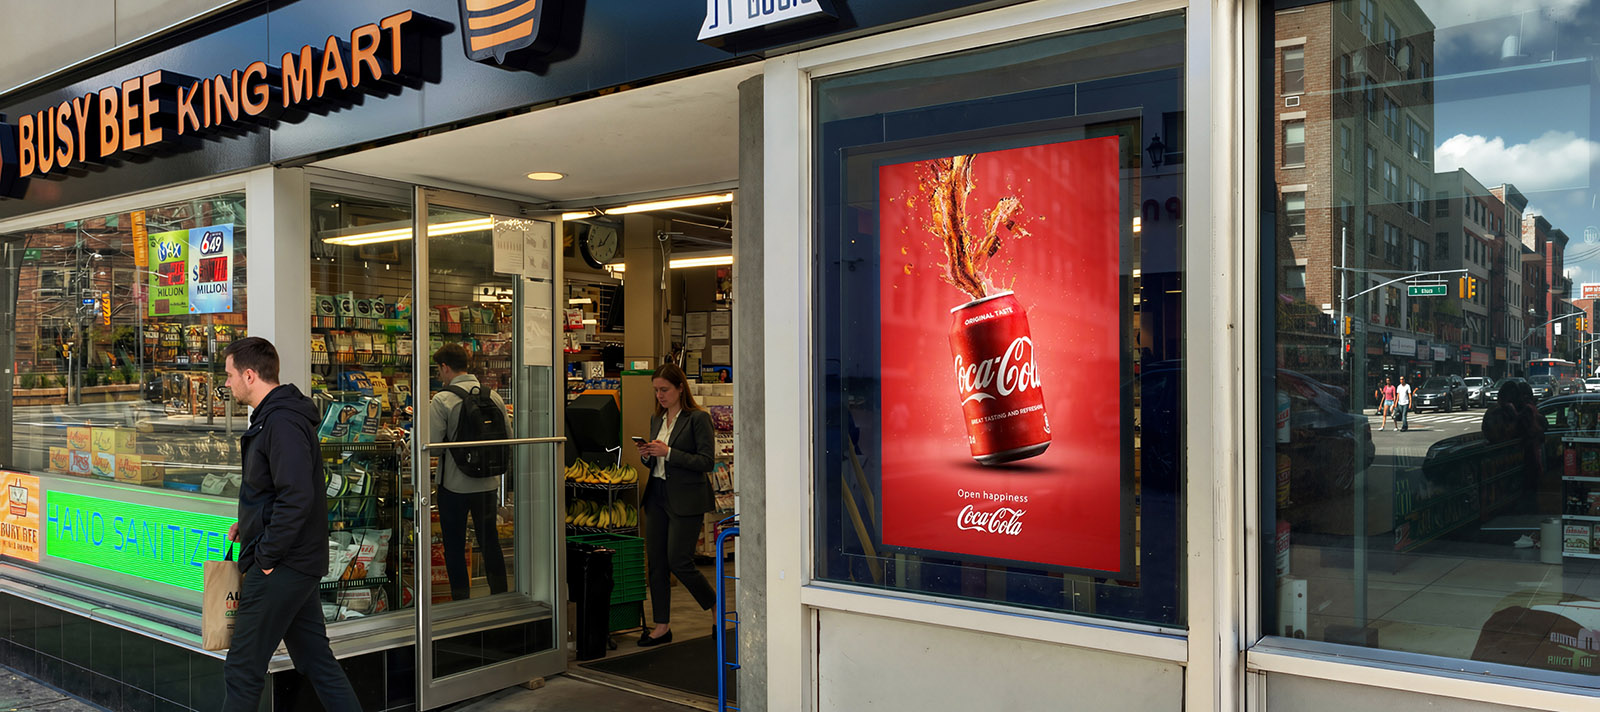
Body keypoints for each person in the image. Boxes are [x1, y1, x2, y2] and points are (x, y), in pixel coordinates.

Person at [220, 337, 360, 712]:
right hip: (293, 563)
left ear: (250, 375)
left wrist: (266, 556)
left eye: (230, 376)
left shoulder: (280, 422)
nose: (228, 384)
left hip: (282, 565)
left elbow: (296, 496)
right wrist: (247, 523)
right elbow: (277, 489)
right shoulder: (275, 418)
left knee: (243, 667)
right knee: (316, 661)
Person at [634, 362, 718, 646]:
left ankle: (716, 607)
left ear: (681, 387)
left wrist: (669, 452)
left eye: (665, 389)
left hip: (686, 498)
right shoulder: (657, 420)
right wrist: (648, 455)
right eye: (656, 390)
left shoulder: (697, 418)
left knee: (679, 561)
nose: (660, 395)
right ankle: (661, 626)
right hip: (657, 494)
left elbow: (706, 462)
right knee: (656, 563)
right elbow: (656, 461)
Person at [430, 343, 509, 600]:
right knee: (490, 541)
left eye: (438, 369)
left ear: (445, 367)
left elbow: (431, 447)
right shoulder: (493, 396)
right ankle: (500, 595)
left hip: (454, 485)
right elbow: (507, 438)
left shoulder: (443, 399)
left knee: (454, 545)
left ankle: (461, 600)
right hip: (488, 484)